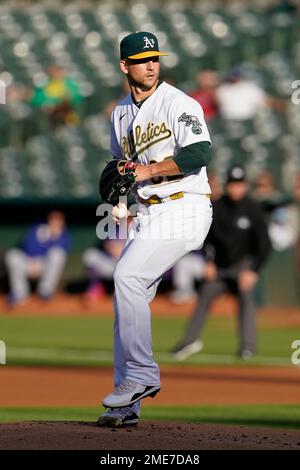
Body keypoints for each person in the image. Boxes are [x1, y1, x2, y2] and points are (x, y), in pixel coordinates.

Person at [97, 31, 213, 427]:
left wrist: (147, 170)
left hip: (185, 206)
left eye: (155, 57)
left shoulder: (178, 103)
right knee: (127, 298)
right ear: (124, 66)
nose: (151, 64)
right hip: (148, 213)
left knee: (126, 275)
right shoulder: (119, 114)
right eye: (142, 58)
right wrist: (120, 201)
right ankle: (126, 405)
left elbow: (199, 153)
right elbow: (120, 169)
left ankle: (143, 375)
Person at [171, 166, 271, 361]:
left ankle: (247, 347)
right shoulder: (217, 206)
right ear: (228, 186)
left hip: (243, 267)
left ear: (245, 186)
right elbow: (205, 238)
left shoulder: (253, 208)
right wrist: (208, 261)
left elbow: (265, 245)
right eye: (233, 184)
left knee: (246, 299)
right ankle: (189, 341)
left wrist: (253, 270)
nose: (236, 188)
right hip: (220, 266)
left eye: (240, 184)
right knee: (205, 294)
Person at [5, 211, 71, 306]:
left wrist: (54, 238)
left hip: (44, 265)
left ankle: (45, 291)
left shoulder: (64, 235)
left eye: (58, 221)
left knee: (57, 254)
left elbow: (64, 249)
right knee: (12, 255)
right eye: (53, 220)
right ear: (48, 220)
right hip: (28, 262)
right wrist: (32, 259)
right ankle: (19, 293)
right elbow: (27, 245)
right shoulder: (38, 228)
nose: (55, 223)